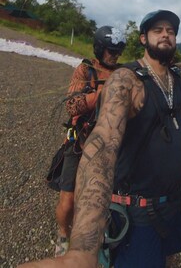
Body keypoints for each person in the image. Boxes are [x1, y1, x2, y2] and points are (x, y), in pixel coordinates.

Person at [18, 9, 181, 268]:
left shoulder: (177, 75)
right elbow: (102, 146)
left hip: (177, 202)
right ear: (142, 39)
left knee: (167, 256)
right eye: (157, 30)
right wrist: (83, 249)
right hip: (141, 214)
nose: (165, 35)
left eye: (171, 31)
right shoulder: (126, 79)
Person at [54, 26, 126, 257]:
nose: (115, 55)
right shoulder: (85, 69)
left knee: (106, 195)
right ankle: (63, 234)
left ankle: (101, 235)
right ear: (99, 48)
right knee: (69, 195)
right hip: (80, 141)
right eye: (110, 51)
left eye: (118, 51)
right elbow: (71, 105)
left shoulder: (123, 72)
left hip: (109, 144)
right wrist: (101, 94)